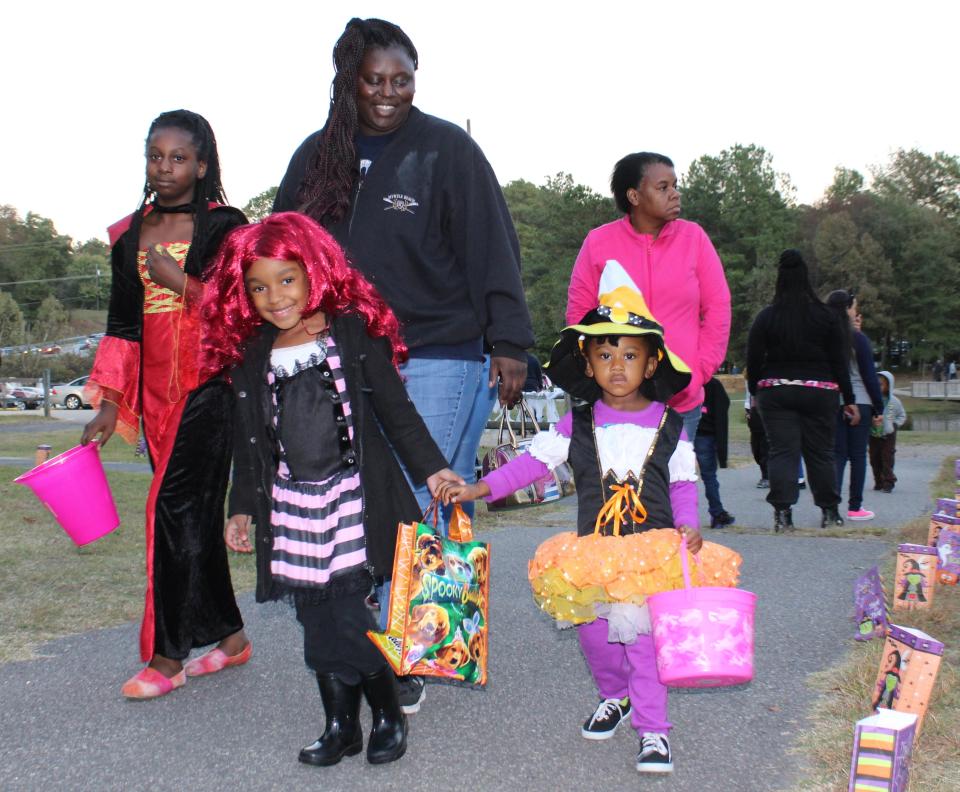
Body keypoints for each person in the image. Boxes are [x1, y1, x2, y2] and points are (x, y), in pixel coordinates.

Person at [439, 262, 741, 774]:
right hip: (592, 555)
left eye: (629, 355)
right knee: (595, 637)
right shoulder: (576, 421)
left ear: (651, 365)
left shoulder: (670, 425)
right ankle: (615, 695)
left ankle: (654, 731)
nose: (617, 365)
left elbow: (684, 482)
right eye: (605, 354)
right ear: (588, 362)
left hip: (653, 555)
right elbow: (533, 464)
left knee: (644, 644)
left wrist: (691, 526)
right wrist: (478, 486)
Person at [201, 212, 461, 766]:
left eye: (286, 279)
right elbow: (251, 448)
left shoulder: (348, 333)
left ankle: (388, 713)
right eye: (258, 286)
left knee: (347, 613)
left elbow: (397, 412)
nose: (274, 296)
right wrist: (242, 507)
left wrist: (433, 468)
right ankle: (340, 724)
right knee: (314, 620)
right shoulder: (253, 355)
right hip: (292, 509)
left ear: (313, 271)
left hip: (351, 503)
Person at [273, 17, 532, 526]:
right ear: (350, 80)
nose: (388, 93)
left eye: (402, 80)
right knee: (397, 500)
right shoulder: (316, 155)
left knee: (416, 502)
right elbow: (279, 252)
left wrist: (509, 341)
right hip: (340, 354)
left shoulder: (447, 149)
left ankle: (411, 607)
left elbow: (491, 247)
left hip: (435, 353)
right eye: (374, 80)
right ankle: (439, 606)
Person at [81, 110, 249, 699]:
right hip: (152, 398)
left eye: (179, 157)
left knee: (168, 509)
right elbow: (123, 325)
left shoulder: (227, 227)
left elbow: (240, 313)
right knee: (192, 518)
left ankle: (167, 655)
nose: (164, 167)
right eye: (156, 155)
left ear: (203, 165)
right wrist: (109, 403)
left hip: (208, 388)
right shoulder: (129, 234)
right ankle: (231, 639)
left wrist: (179, 282)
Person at [566, 152, 731, 442]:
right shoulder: (598, 243)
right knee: (621, 487)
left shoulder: (694, 239)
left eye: (675, 185)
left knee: (672, 486)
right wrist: (597, 373)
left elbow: (718, 309)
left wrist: (698, 371)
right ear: (634, 195)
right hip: (618, 399)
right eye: (663, 187)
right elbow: (580, 316)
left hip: (681, 400)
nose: (675, 194)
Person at [746, 251, 856, 532]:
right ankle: (830, 512)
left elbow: (754, 358)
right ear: (807, 277)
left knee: (783, 452)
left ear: (779, 280)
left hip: (776, 389)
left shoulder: (767, 317)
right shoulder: (826, 316)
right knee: (821, 452)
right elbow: (839, 361)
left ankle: (783, 515)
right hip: (820, 390)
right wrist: (849, 398)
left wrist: (754, 390)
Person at [826, 290, 884, 521]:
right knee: (858, 455)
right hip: (860, 399)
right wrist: (878, 407)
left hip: (835, 401)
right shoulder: (858, 339)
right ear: (846, 309)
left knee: (837, 455)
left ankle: (832, 506)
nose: (856, 312)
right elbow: (870, 376)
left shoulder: (827, 338)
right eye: (854, 308)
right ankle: (855, 506)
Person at [696, 377, 735, 528]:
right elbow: (723, 407)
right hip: (705, 435)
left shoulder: (683, 379)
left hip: (684, 431)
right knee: (709, 476)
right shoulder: (713, 385)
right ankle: (717, 513)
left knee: (678, 477)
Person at [869, 371, 907, 493]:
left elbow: (902, 415)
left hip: (889, 433)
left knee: (887, 457)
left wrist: (895, 424)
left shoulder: (894, 401)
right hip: (873, 434)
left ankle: (889, 481)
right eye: (876, 384)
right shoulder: (871, 400)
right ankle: (878, 481)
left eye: (881, 384)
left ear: (888, 386)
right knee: (874, 458)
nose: (878, 387)